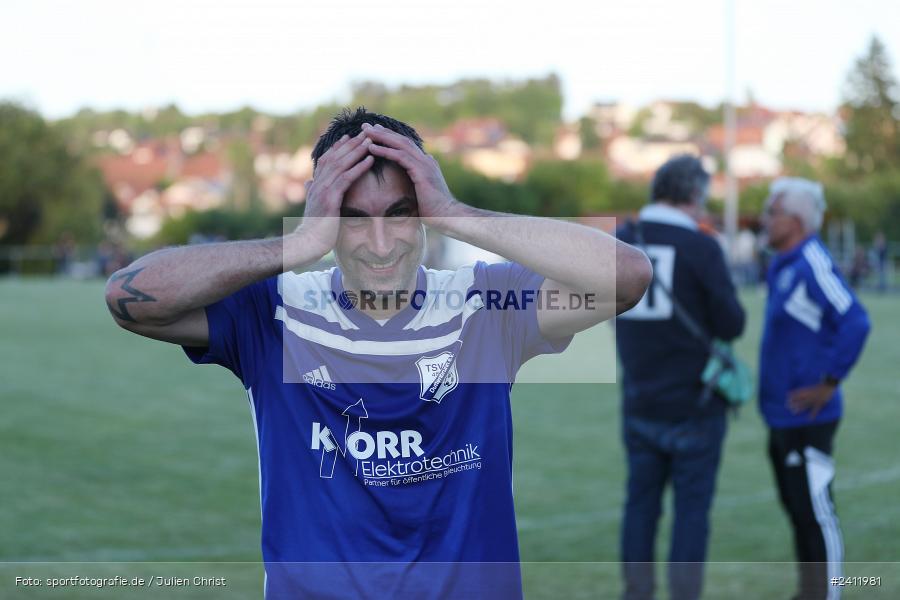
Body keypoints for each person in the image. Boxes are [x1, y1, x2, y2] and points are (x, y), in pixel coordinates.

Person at [104, 107, 652, 599]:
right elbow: (131, 300)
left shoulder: (484, 306)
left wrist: (455, 212)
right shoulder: (275, 312)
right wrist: (298, 243)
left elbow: (625, 277)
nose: (383, 242)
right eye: (354, 217)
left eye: (401, 212)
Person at [615, 155, 746, 600]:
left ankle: (637, 593)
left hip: (639, 397)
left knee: (640, 507)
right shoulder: (702, 247)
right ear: (694, 196)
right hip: (695, 403)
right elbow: (732, 324)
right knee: (691, 514)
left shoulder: (624, 238)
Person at [759, 178, 871, 600]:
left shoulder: (811, 262)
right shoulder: (782, 264)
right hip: (781, 416)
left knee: (818, 517)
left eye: (772, 212)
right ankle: (809, 592)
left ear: (796, 219)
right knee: (799, 514)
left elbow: (856, 320)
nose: (765, 219)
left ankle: (830, 594)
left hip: (810, 419)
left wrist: (829, 383)